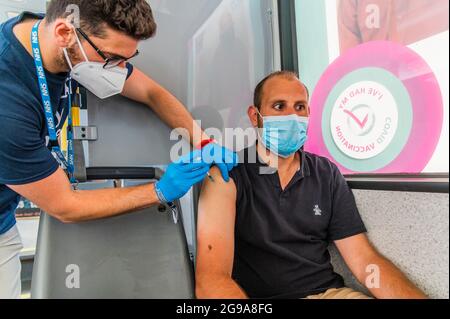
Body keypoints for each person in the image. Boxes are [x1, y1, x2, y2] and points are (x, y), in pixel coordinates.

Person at [0, 0, 237, 299]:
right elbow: (65, 205)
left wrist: (204, 141)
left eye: (127, 58)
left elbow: (151, 93)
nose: (121, 71)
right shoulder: (7, 103)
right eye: (112, 58)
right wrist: (160, 191)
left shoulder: (55, 40)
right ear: (64, 33)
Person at [195, 71, 427, 299]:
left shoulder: (326, 174)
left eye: (299, 107)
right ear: (255, 116)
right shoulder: (227, 176)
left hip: (328, 294)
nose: (292, 117)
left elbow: (365, 261)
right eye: (279, 106)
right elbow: (211, 281)